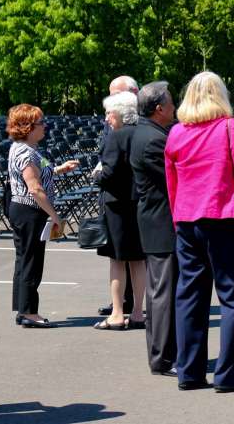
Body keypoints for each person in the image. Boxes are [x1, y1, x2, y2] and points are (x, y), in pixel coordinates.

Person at [165, 71, 234, 392]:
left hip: (186, 220)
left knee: (189, 297)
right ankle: (229, 376)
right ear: (220, 95)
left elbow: (172, 184)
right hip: (222, 218)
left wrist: (177, 218)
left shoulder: (176, 133)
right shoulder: (231, 128)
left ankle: (190, 373)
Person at [6, 105, 79, 328]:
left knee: (24, 259)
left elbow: (39, 173)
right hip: (30, 211)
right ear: (28, 127)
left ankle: (22, 309)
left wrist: (59, 169)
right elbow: (35, 189)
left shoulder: (25, 148)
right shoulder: (26, 153)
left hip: (22, 210)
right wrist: (54, 215)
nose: (44, 126)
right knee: (31, 262)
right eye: (40, 123)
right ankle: (29, 312)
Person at [129, 81, 179, 375]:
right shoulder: (153, 139)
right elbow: (175, 179)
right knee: (163, 294)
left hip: (156, 222)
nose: (175, 107)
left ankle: (165, 354)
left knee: (162, 292)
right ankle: (162, 358)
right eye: (171, 103)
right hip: (160, 225)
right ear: (159, 108)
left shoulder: (151, 133)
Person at [93, 91, 146, 331]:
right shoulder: (145, 133)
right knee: (138, 260)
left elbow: (110, 173)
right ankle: (137, 312)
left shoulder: (115, 137)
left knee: (117, 260)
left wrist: (97, 177)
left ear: (119, 113)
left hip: (117, 205)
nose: (106, 119)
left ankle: (116, 313)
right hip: (140, 203)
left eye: (108, 113)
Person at [98, 75, 138, 317]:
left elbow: (110, 168)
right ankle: (126, 302)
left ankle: (122, 307)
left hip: (122, 198)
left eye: (116, 94)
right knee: (133, 257)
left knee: (123, 256)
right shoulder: (112, 125)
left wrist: (98, 174)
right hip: (127, 197)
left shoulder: (135, 128)